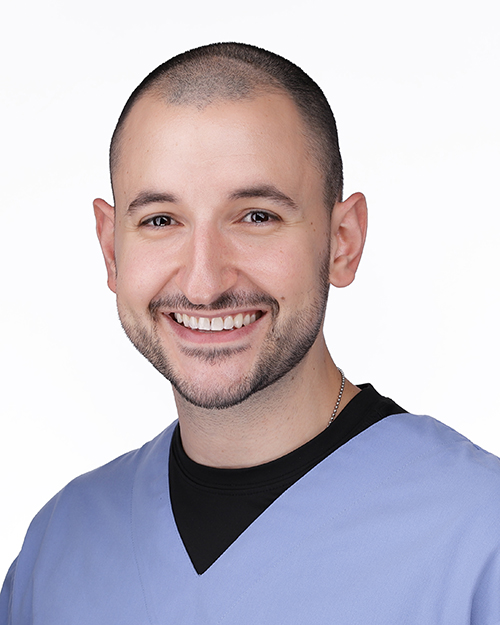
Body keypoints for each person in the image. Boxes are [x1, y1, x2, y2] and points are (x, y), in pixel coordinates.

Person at [2, 42, 499, 624]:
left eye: (257, 216)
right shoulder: (58, 548)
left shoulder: (479, 536)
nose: (204, 281)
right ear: (111, 248)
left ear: (344, 241)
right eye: (161, 220)